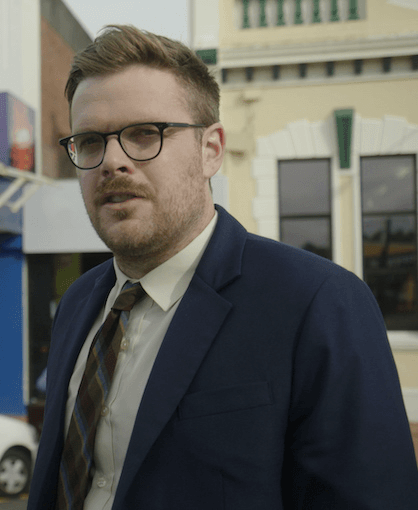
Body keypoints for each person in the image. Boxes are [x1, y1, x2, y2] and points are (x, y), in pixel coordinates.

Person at [26, 25, 418, 510]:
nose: (112, 161)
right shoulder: (78, 305)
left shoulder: (317, 303)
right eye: (89, 142)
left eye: (144, 134)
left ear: (211, 150)